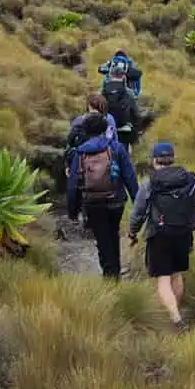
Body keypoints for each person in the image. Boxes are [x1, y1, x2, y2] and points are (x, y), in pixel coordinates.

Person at [128, 142, 195, 330]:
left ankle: (175, 319)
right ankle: (175, 311)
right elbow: (193, 208)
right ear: (172, 159)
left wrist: (133, 232)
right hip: (183, 233)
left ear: (154, 160)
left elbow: (138, 212)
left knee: (163, 278)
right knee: (176, 274)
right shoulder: (188, 179)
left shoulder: (150, 183)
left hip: (159, 234)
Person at [67, 112, 138, 279]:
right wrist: (138, 202)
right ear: (105, 128)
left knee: (102, 238)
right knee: (113, 233)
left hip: (92, 203)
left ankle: (109, 274)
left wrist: (72, 210)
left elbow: (73, 184)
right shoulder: (116, 148)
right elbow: (129, 177)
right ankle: (115, 270)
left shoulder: (80, 153)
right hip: (116, 201)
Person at [101, 62, 141, 149]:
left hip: (106, 130)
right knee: (123, 155)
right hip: (124, 131)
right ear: (123, 77)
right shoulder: (129, 92)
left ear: (111, 76)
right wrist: (135, 129)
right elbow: (136, 113)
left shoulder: (102, 91)